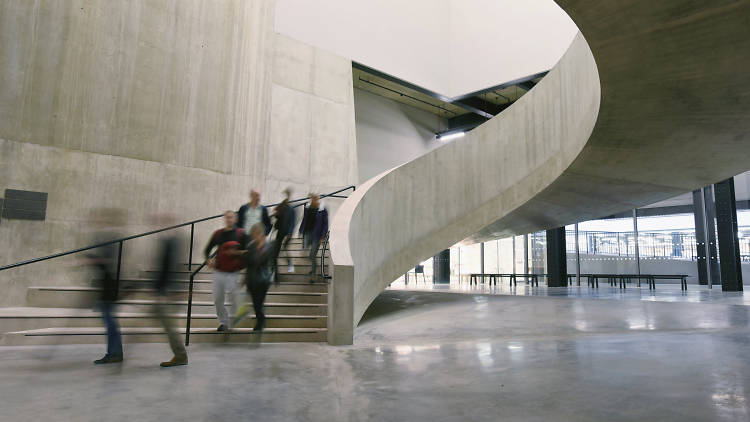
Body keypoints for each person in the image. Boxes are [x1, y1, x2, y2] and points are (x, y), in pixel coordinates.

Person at [87, 208, 125, 364]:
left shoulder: (111, 238)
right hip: (107, 284)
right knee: (109, 320)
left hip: (109, 284)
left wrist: (91, 260)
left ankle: (115, 353)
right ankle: (114, 352)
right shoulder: (107, 237)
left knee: (110, 320)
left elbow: (109, 262)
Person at [150, 214, 188, 367]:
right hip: (166, 290)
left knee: (171, 326)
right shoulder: (168, 242)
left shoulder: (173, 243)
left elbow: (171, 268)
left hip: (170, 291)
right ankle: (180, 355)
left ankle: (181, 356)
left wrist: (169, 291)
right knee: (166, 322)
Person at [204, 211, 247, 331]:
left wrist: (236, 253)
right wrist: (208, 260)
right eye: (227, 217)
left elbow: (248, 251)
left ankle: (238, 314)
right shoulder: (218, 234)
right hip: (218, 271)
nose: (229, 219)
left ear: (235, 219)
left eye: (231, 217)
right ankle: (224, 323)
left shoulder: (241, 234)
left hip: (234, 272)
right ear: (224, 219)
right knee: (218, 299)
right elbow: (207, 250)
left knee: (234, 297)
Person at [233, 223, 274, 332]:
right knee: (256, 303)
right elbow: (248, 264)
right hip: (251, 279)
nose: (253, 237)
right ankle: (260, 319)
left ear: (260, 234)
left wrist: (246, 255)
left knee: (258, 303)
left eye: (254, 235)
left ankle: (260, 322)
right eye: (252, 235)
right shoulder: (250, 246)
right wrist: (244, 279)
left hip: (263, 279)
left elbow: (263, 262)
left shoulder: (269, 246)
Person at [299, 194, 328, 283]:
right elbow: (304, 219)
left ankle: (313, 274)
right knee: (305, 251)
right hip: (307, 233)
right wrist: (301, 230)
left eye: (315, 198)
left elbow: (325, 223)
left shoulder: (322, 210)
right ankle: (313, 268)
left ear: (317, 199)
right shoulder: (307, 207)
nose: (313, 200)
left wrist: (323, 236)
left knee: (312, 255)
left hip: (317, 235)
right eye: (312, 198)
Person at [270, 188, 296, 280]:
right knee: (275, 252)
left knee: (284, 249)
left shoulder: (291, 209)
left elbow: (293, 222)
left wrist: (290, 233)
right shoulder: (281, 207)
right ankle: (273, 272)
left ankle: (290, 265)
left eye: (288, 195)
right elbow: (276, 216)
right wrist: (275, 214)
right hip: (280, 232)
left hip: (287, 232)